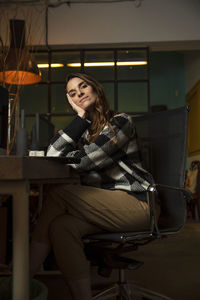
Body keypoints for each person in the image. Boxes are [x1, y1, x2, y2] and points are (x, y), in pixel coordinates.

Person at [30, 72, 157, 300]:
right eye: (72, 93)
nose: (79, 93)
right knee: (61, 227)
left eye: (83, 86)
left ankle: (21, 278)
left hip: (138, 204)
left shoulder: (120, 122)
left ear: (96, 89)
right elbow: (53, 153)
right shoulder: (84, 132)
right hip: (106, 207)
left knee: (59, 195)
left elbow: (87, 159)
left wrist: (74, 154)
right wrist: (79, 119)